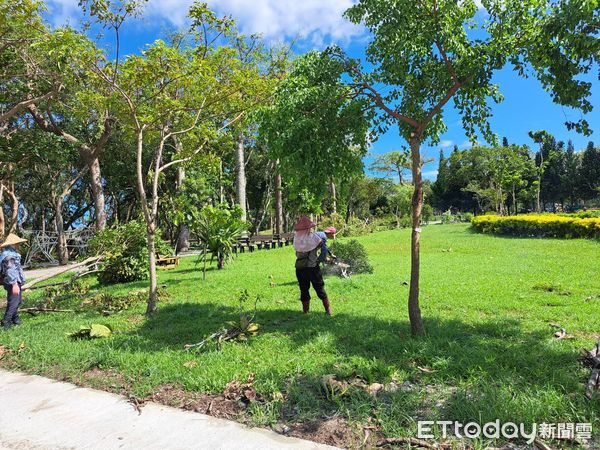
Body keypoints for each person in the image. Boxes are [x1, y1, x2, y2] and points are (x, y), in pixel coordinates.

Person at [293, 216, 332, 315]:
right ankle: (328, 311)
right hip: (313, 268)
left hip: (300, 268)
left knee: (304, 290)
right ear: (309, 228)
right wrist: (320, 260)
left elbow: (297, 253)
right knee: (319, 288)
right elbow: (323, 250)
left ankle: (305, 312)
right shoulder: (315, 237)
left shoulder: (297, 239)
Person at [0, 233, 27, 329]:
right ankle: (6, 320)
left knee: (16, 300)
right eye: (17, 243)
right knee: (14, 302)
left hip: (12, 281)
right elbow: (11, 270)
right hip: (12, 282)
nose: (19, 245)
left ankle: (15, 318)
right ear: (12, 244)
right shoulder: (9, 256)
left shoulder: (10, 254)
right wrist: (15, 284)